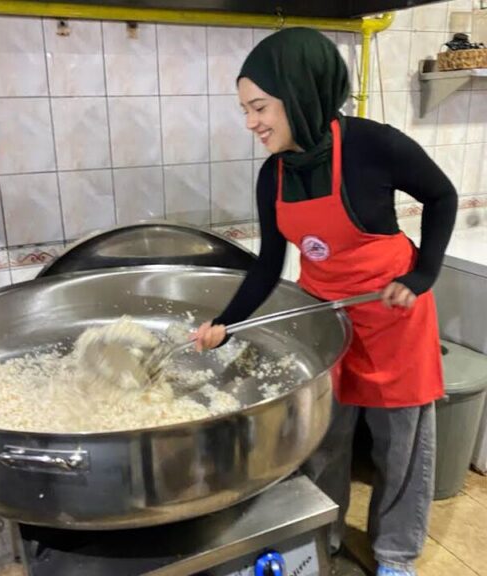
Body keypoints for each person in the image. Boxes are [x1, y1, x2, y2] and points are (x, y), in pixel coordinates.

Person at [193, 28, 457, 576]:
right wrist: (226, 322)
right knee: (324, 442)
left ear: (299, 92)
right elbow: (270, 263)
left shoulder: (373, 145)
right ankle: (324, 535)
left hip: (393, 315)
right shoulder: (275, 174)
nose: (251, 123)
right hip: (326, 324)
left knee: (401, 449)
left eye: (259, 107)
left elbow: (441, 195)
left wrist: (425, 271)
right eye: (244, 109)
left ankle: (396, 554)